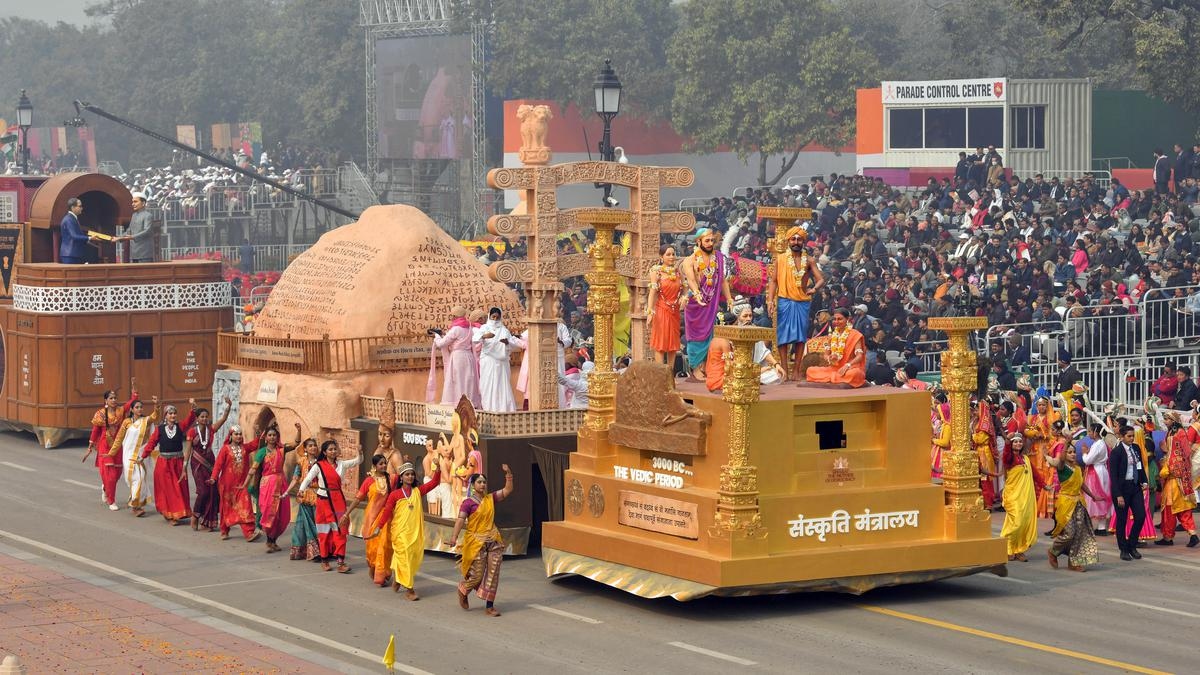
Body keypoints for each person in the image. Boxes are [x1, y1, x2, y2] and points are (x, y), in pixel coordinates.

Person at [366, 461, 443, 600]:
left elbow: (434, 483)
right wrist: (378, 527)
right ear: (401, 478)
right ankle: (410, 590)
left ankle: (399, 579)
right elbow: (386, 513)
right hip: (400, 533)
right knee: (405, 557)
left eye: (412, 474)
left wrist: (438, 470)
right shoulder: (395, 495)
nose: (410, 477)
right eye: (407, 474)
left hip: (414, 533)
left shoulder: (417, 491)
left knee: (412, 559)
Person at [450, 465, 514, 617]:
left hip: (493, 540)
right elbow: (460, 520)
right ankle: (463, 589)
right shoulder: (468, 503)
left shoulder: (490, 498)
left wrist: (509, 474)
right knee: (477, 576)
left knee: (493, 573)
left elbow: (507, 490)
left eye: (484, 482)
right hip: (476, 542)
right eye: (479, 482)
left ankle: (490, 606)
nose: (482, 485)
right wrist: (454, 537)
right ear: (473, 485)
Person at [766, 226, 824, 380]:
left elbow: (821, 279)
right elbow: (773, 281)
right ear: (788, 241)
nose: (796, 242)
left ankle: (797, 370)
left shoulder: (809, 260)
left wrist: (814, 289)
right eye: (793, 239)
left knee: (800, 337)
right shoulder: (781, 259)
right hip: (785, 301)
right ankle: (784, 370)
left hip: (802, 302)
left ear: (803, 241)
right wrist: (770, 300)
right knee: (783, 337)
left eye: (799, 239)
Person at [299, 439, 362, 572]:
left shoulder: (342, 464)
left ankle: (340, 562)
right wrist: (301, 490)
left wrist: (360, 453)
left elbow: (358, 461)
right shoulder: (319, 465)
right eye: (330, 449)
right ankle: (324, 560)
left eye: (335, 449)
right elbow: (308, 478)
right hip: (323, 501)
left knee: (341, 529)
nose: (333, 451)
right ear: (324, 452)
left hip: (338, 501)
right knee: (324, 531)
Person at [681, 228, 734, 380]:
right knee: (695, 336)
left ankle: (706, 366)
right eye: (707, 241)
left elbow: (722, 280)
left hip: (711, 303)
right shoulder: (689, 260)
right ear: (699, 241)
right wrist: (698, 295)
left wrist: (729, 298)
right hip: (695, 304)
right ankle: (695, 368)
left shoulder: (717, 257)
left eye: (712, 240)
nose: (710, 243)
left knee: (710, 335)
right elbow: (691, 281)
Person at [1044, 443, 1100, 572]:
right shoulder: (1062, 467)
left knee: (1079, 533)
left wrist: (1093, 496)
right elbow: (1061, 459)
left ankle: (1073, 562)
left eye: (1074, 452)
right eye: (1069, 452)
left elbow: (1081, 484)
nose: (1072, 454)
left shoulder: (1078, 468)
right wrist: (1067, 442)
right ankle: (1053, 551)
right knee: (1069, 533)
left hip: (1079, 503)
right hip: (1066, 503)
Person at [83, 384, 137, 510]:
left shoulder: (120, 411)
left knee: (117, 474)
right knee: (110, 475)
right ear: (106, 401)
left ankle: (105, 487)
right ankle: (111, 500)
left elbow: (131, 404)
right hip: (104, 446)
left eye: (115, 398)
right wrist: (90, 446)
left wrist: (135, 393)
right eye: (111, 398)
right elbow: (95, 431)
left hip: (118, 445)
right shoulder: (100, 414)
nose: (114, 400)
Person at [342, 454, 394, 585]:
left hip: (387, 518)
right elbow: (358, 499)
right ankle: (374, 567)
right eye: (380, 464)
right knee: (373, 548)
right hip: (372, 517)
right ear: (375, 466)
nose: (383, 466)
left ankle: (381, 574)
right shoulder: (369, 481)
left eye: (385, 463)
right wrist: (346, 514)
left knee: (385, 546)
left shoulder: (392, 479)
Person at [181, 397, 231, 531]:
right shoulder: (192, 432)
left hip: (210, 462)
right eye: (201, 417)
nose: (204, 419)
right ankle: (195, 516)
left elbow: (223, 419)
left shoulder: (211, 429)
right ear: (197, 418)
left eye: (206, 417)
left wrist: (228, 406)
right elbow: (188, 450)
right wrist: (184, 468)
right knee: (203, 492)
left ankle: (208, 522)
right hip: (197, 463)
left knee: (213, 491)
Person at [244, 425, 296, 553]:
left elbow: (296, 444)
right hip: (267, 485)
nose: (272, 437)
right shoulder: (262, 452)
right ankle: (269, 541)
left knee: (281, 514)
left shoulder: (281, 450)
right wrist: (244, 484)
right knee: (268, 512)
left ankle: (273, 540)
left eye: (274, 435)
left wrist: (299, 431)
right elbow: (253, 470)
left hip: (281, 484)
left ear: (277, 437)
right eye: (270, 435)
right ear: (266, 438)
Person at [140, 405, 191, 525]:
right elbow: (151, 443)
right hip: (164, 464)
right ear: (165, 416)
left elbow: (190, 419)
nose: (173, 416)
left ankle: (178, 512)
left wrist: (192, 408)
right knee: (168, 490)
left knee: (178, 488)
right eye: (170, 414)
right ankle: (170, 515)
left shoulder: (180, 427)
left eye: (174, 414)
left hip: (178, 463)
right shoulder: (160, 429)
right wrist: (142, 456)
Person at [209, 425, 260, 542]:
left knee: (245, 507)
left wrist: (258, 434)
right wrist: (213, 477)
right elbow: (218, 465)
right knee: (226, 507)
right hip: (226, 485)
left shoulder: (244, 448)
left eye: (240, 434)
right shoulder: (225, 449)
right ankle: (224, 530)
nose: (238, 436)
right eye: (236, 434)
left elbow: (255, 444)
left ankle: (249, 533)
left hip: (241, 485)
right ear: (230, 436)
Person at [1154, 417, 1199, 547]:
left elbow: (1168, 469)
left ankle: (1168, 538)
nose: (1165, 421)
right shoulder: (1183, 454)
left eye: (1167, 419)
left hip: (1173, 485)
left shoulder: (1174, 452)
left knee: (1169, 510)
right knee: (1184, 510)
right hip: (1183, 485)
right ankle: (1193, 534)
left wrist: (1160, 474)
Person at [112, 394, 158, 517]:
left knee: (140, 478)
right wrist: (111, 453)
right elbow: (119, 439)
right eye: (137, 407)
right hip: (129, 455)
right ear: (131, 409)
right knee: (133, 479)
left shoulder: (145, 421)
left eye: (141, 407)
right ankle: (135, 503)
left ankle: (135, 505)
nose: (139, 409)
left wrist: (156, 406)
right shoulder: (126, 422)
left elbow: (154, 417)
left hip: (141, 456)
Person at [1110, 425, 1149, 561]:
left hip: (1134, 486)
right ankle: (1124, 549)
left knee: (1140, 516)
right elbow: (1113, 476)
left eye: (1133, 436)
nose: (1132, 438)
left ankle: (1132, 545)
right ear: (1121, 437)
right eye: (1129, 436)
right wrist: (1118, 494)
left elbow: (1140, 467)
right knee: (1121, 520)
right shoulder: (1116, 452)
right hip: (1121, 489)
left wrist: (1144, 481)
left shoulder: (1136, 448)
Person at [430, 306, 480, 407]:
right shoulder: (470, 327)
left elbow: (441, 344)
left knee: (457, 381)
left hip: (458, 357)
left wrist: (437, 336)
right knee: (468, 380)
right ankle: (469, 403)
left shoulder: (456, 329)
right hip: (468, 357)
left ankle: (459, 404)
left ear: (455, 316)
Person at [804, 308, 866, 387]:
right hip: (834, 368)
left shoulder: (855, 335)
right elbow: (825, 355)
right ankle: (836, 377)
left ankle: (833, 378)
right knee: (810, 370)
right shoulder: (833, 335)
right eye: (835, 319)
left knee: (854, 374)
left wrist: (848, 365)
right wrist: (830, 358)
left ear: (848, 319)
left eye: (840, 319)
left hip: (850, 368)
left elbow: (859, 356)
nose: (836, 322)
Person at [1000, 433, 1037, 561]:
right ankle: (1007, 547)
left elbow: (1035, 474)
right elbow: (1006, 455)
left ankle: (1019, 550)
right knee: (1017, 521)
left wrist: (1044, 485)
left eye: (1020, 442)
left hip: (1025, 496)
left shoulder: (1025, 458)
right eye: (1015, 442)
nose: (1018, 444)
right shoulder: (1009, 458)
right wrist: (1007, 441)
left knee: (1024, 522)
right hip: (1012, 495)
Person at [285, 436, 322, 561]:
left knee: (318, 523)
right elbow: (295, 479)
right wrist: (287, 492)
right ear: (305, 448)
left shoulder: (321, 462)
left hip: (319, 496)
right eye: (310, 445)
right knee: (308, 523)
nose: (313, 447)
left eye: (314, 445)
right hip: (305, 495)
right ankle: (314, 552)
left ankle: (319, 550)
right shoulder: (301, 462)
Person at [1023, 397, 1059, 520]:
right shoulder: (1033, 418)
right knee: (1034, 474)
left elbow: (1053, 435)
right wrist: (1031, 435)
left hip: (1044, 449)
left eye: (1043, 405)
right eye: (1039, 405)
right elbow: (1028, 430)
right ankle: (1034, 502)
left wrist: (1043, 435)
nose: (1041, 407)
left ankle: (1042, 505)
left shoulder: (1051, 418)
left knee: (1044, 474)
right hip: (1034, 449)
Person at [646, 245, 682, 368]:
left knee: (673, 345)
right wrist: (650, 312)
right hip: (661, 310)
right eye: (668, 254)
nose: (672, 257)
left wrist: (684, 297)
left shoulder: (678, 272)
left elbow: (686, 288)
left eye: (673, 254)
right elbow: (652, 292)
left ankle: (670, 376)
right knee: (660, 344)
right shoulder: (656, 272)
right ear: (661, 257)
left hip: (675, 311)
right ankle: (661, 375)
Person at [477, 307, 516, 412]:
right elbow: (475, 339)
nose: (494, 319)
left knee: (502, 385)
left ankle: (503, 409)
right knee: (487, 384)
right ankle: (488, 408)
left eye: (497, 317)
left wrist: (507, 343)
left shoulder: (504, 330)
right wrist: (485, 336)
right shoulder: (484, 327)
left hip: (501, 361)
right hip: (488, 360)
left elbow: (513, 344)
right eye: (493, 317)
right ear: (489, 316)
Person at [1080, 423, 1113, 536]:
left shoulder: (1098, 444)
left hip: (1096, 472)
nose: (1089, 433)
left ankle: (1101, 526)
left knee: (1097, 496)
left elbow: (1088, 460)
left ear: (1095, 432)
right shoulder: (1099, 443)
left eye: (1090, 431)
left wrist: (1084, 453)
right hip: (1100, 471)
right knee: (1101, 495)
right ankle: (1101, 526)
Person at [59, 197, 97, 264]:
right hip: (70, 254)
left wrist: (87, 240)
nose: (81, 208)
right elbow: (74, 236)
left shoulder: (72, 218)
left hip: (73, 253)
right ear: (73, 207)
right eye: (80, 206)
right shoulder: (69, 219)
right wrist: (90, 238)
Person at [122, 192, 156, 262]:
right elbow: (129, 230)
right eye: (132, 202)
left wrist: (132, 237)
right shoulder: (134, 215)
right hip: (134, 253)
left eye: (135, 202)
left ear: (143, 203)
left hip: (144, 253)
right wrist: (119, 237)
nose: (133, 204)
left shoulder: (148, 215)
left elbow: (147, 231)